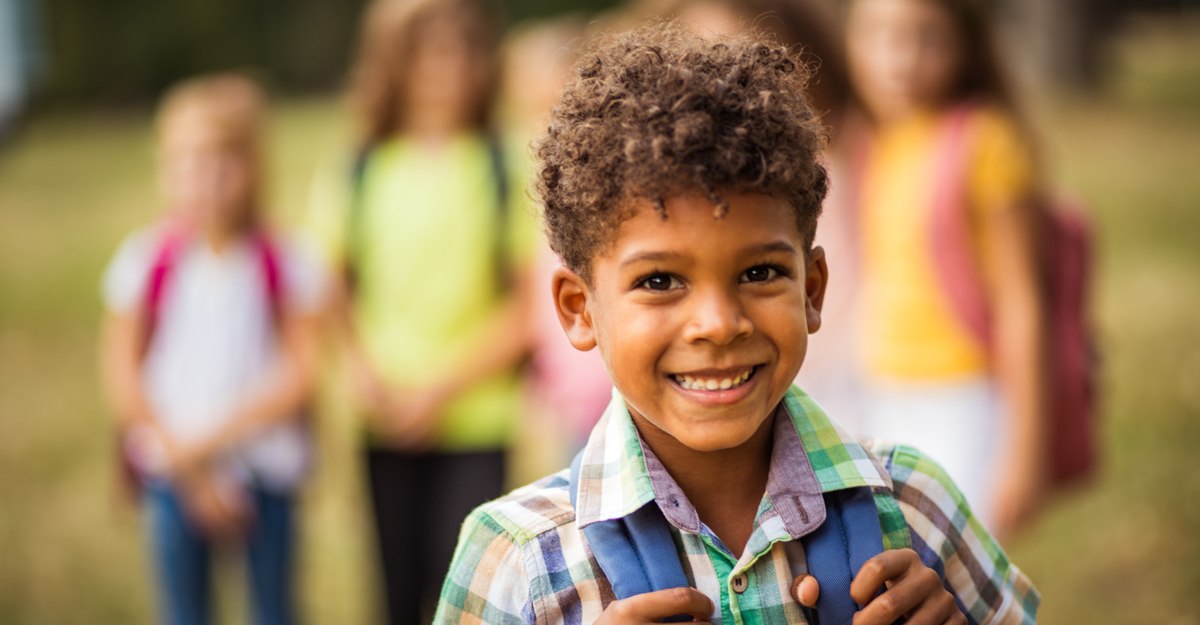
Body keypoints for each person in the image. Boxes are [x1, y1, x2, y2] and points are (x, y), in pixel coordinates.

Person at [434, 22, 1038, 625]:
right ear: (578, 308)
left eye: (759, 273)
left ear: (811, 289)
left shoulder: (911, 505)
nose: (719, 324)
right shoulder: (519, 560)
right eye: (660, 281)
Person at [303, 0, 536, 623]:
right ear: (393, 63)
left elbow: (527, 307)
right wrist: (359, 369)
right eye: (427, 52)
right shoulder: (360, 166)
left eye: (460, 50)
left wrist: (440, 390)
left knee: (470, 599)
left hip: (477, 418)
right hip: (382, 416)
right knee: (396, 592)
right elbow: (330, 287)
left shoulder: (503, 165)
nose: (446, 67)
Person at [99, 73, 327, 625]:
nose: (200, 179)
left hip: (266, 475)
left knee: (274, 610)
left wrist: (208, 443)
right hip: (172, 479)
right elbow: (122, 377)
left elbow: (302, 372)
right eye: (184, 162)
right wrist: (194, 473)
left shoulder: (287, 260)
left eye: (219, 162)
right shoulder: (144, 262)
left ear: (251, 167)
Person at [820, 0, 1049, 538]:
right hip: (883, 389)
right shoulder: (875, 139)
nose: (899, 59)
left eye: (928, 38)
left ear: (965, 45)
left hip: (964, 394)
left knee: (957, 562)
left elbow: (1022, 302)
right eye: (878, 35)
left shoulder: (986, 141)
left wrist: (1027, 448)